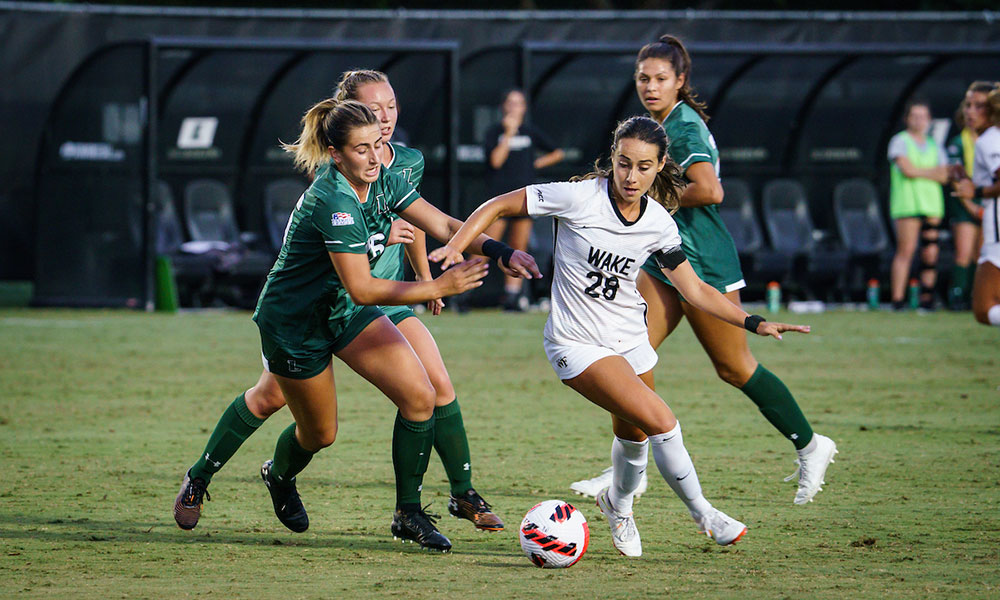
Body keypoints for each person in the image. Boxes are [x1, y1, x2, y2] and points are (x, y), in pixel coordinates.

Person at [173, 93, 539, 552]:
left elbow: (444, 224)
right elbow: (364, 287)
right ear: (335, 154)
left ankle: (408, 513)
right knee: (319, 433)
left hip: (344, 311)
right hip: (296, 323)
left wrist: (503, 252)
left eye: (376, 143)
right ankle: (226, 475)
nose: (374, 155)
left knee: (421, 395)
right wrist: (438, 288)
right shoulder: (332, 198)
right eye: (361, 148)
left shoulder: (383, 177)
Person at [432, 116, 810, 556]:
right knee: (663, 422)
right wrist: (459, 244)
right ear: (612, 157)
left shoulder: (658, 223)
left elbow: (696, 290)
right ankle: (704, 513)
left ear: (661, 165)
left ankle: (618, 505)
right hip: (576, 344)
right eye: (624, 163)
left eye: (644, 167)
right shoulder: (577, 197)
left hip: (630, 341)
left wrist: (753, 322)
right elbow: (498, 204)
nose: (631, 177)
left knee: (634, 439)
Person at [570, 35, 837, 506]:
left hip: (702, 260)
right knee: (627, 356)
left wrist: (644, 193)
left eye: (660, 79)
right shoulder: (656, 124)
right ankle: (631, 471)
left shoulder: (683, 126)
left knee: (734, 368)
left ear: (680, 81)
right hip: (663, 258)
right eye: (643, 78)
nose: (650, 87)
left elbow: (710, 191)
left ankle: (812, 446)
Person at [483, 88, 565, 310]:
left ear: (524, 108)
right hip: (499, 201)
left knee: (518, 246)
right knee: (484, 246)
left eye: (518, 103)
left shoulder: (530, 132)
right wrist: (508, 134)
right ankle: (461, 295)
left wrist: (534, 165)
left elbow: (557, 153)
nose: (513, 108)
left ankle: (512, 296)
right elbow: (496, 162)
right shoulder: (494, 132)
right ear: (503, 107)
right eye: (510, 103)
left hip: (524, 200)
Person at [887, 99, 950, 311]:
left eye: (923, 116)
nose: (919, 120)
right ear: (907, 119)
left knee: (930, 253)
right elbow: (907, 170)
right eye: (914, 116)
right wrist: (931, 172)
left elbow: (945, 175)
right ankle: (897, 299)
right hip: (908, 205)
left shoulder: (934, 145)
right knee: (906, 251)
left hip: (932, 205)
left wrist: (920, 171)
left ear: (929, 120)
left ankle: (927, 298)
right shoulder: (900, 141)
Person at [953, 83, 1000, 327]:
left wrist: (976, 190)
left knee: (984, 308)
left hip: (997, 233)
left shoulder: (990, 140)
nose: (971, 111)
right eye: (968, 105)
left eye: (979, 106)